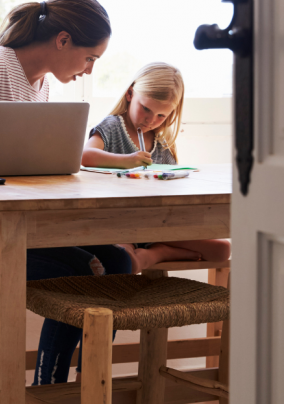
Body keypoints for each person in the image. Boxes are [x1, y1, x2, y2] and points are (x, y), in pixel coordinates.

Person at [0, 0, 133, 385]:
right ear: (63, 40)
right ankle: (49, 388)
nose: (89, 70)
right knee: (83, 272)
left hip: (16, 226)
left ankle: (89, 385)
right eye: (90, 57)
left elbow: (21, 162)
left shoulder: (39, 86)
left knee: (119, 262)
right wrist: (5, 160)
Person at [81, 62, 231, 273]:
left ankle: (159, 252)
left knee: (222, 250)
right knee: (123, 260)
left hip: (159, 225)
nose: (151, 120)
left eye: (162, 116)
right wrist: (127, 161)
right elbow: (85, 156)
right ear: (130, 94)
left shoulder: (162, 140)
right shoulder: (113, 126)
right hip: (119, 225)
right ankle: (160, 252)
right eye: (146, 109)